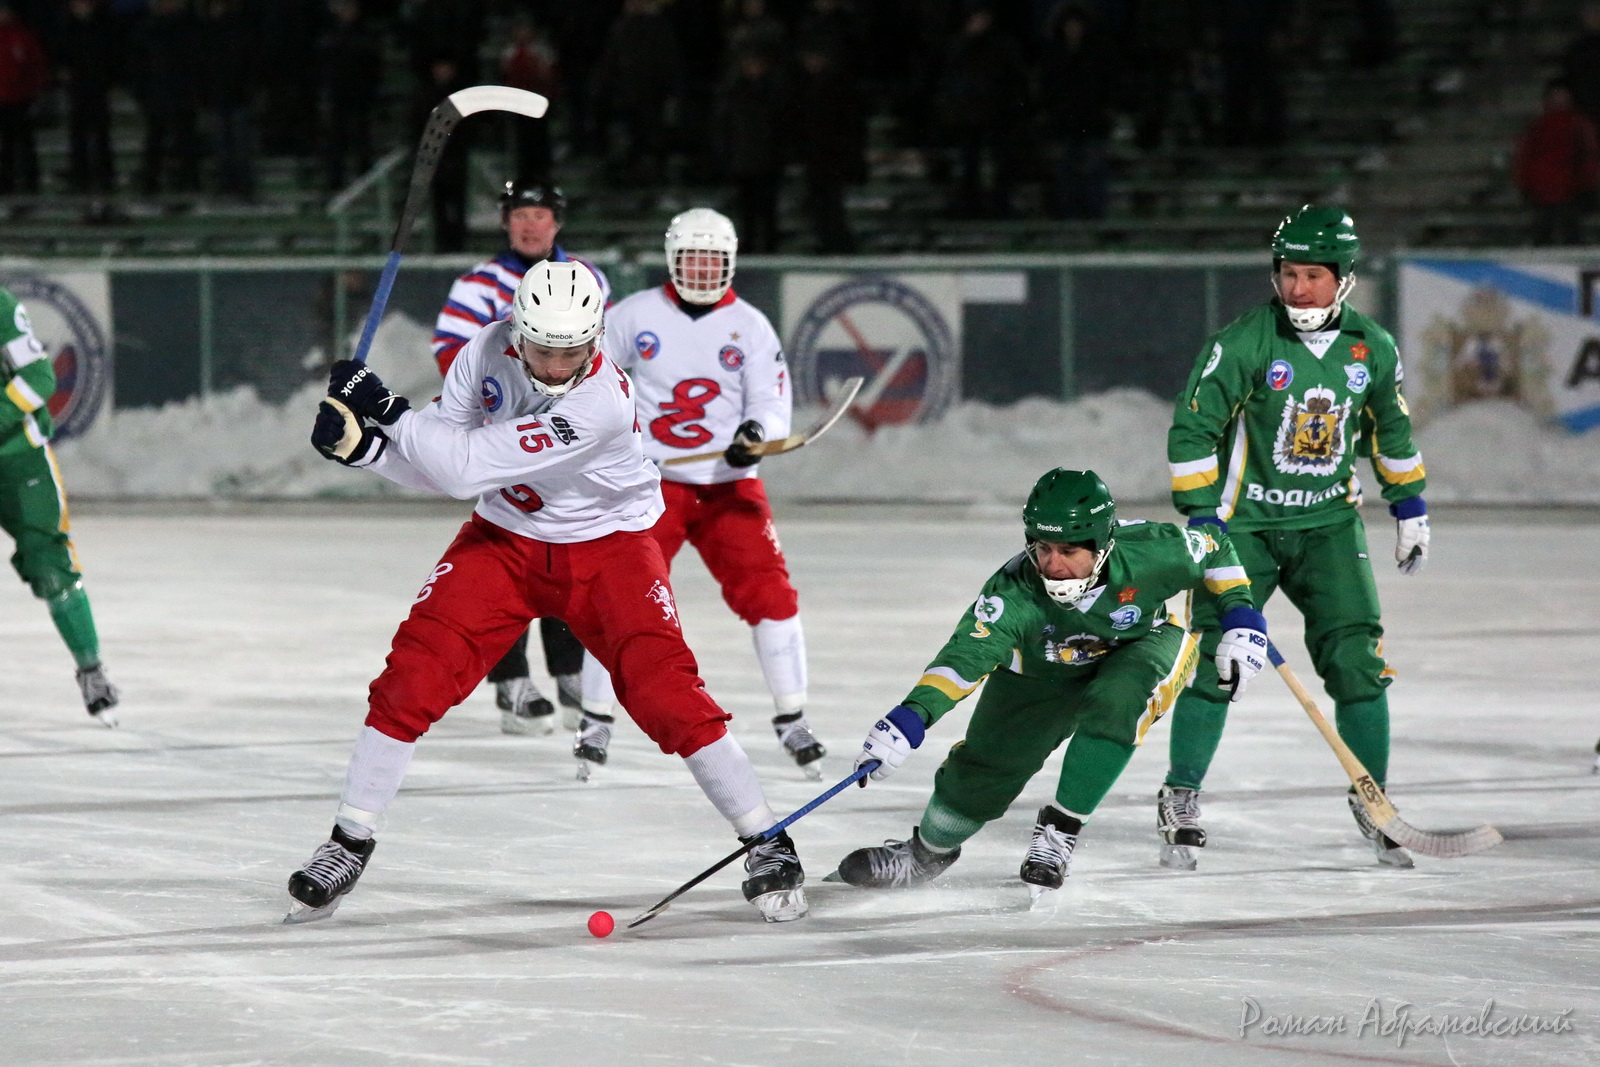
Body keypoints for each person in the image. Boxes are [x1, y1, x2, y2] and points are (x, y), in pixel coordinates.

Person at [290, 260, 808, 925]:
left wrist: (386, 411)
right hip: (505, 539)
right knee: (412, 674)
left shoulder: (605, 400)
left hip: (610, 549)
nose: (558, 364)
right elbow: (446, 459)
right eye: (542, 348)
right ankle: (347, 841)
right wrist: (368, 451)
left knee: (666, 693)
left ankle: (766, 836)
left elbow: (462, 465)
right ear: (516, 330)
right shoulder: (482, 353)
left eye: (573, 350)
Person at [830, 469, 1266, 898]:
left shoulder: (1153, 551)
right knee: (982, 771)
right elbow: (966, 657)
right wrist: (912, 715)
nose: (1053, 565)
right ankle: (924, 855)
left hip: (1141, 647)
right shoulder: (1012, 593)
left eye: (1069, 549)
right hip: (1041, 673)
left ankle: (1060, 830)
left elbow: (1216, 549)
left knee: (1121, 698)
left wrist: (1243, 616)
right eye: (1043, 547)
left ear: (1103, 544)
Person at [1161, 205, 1428, 870]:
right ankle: (1181, 793)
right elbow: (1192, 428)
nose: (1298, 287)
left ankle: (1375, 799)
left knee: (1359, 665)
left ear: (1343, 279)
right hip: (1241, 529)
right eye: (1288, 273)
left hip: (1330, 528)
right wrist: (1200, 516)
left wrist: (1410, 504)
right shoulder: (1246, 341)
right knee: (1220, 658)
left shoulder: (1373, 347)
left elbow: (1389, 429)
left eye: (1313, 274)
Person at [574, 208, 826, 780]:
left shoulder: (752, 326)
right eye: (694, 258)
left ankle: (792, 716)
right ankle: (595, 716)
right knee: (613, 593)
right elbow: (592, 380)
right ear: (673, 260)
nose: (705, 270)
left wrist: (753, 437)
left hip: (727, 486)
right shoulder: (634, 314)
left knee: (772, 596)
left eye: (715, 259)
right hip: (650, 485)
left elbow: (767, 399)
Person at [430, 180, 609, 735]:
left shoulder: (587, 280)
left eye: (542, 214)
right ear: (506, 221)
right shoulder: (478, 284)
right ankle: (511, 682)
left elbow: (609, 352)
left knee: (567, 546)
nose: (532, 225)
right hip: (502, 447)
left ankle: (568, 670)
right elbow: (453, 356)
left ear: (558, 222)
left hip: (567, 442)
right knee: (506, 556)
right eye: (522, 214)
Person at [0, 284, 120, 726]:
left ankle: (91, 669)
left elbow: (39, 377)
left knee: (49, 562)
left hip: (18, 456)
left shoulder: (0, 307)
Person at [1513, 78, 1599, 247]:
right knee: (1542, 233)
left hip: (1570, 189)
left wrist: (1587, 183)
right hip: (1543, 190)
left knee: (1571, 234)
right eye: (1556, 96)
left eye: (1562, 96)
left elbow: (1590, 155)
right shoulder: (1537, 126)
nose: (1559, 100)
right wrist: (1526, 183)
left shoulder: (1579, 124)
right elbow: (1524, 156)